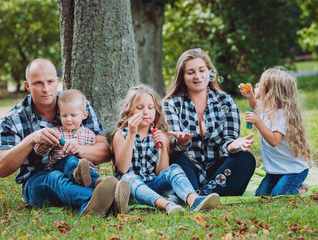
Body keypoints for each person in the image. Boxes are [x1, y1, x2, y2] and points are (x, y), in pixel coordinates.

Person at [0, 58, 129, 216]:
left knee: (70, 161)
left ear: (57, 81)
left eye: (50, 82)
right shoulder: (13, 119)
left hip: (75, 176)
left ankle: (97, 201)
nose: (46, 89)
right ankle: (104, 201)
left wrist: (79, 149)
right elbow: (1, 169)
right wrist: (32, 139)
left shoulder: (75, 105)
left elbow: (105, 153)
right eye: (38, 83)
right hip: (37, 183)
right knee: (55, 176)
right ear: (27, 86)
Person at [112, 84, 220, 215]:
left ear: (156, 110)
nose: (146, 112)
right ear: (130, 112)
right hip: (131, 191)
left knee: (174, 168)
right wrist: (131, 134)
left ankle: (195, 201)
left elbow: (162, 172)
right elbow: (123, 168)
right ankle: (168, 204)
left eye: (150, 107)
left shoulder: (160, 135)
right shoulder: (121, 135)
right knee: (129, 177)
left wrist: (163, 148)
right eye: (140, 108)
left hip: (153, 186)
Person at [163, 48, 256, 196]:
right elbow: (172, 146)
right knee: (177, 161)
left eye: (202, 70)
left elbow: (228, 141)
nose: (197, 76)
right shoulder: (172, 104)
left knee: (245, 159)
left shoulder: (225, 101)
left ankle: (196, 196)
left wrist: (233, 145)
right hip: (188, 164)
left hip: (219, 168)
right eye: (191, 72)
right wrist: (182, 142)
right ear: (182, 76)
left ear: (209, 72)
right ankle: (203, 195)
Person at [239, 67, 312, 196]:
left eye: (260, 84)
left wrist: (258, 121)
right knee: (261, 194)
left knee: (278, 195)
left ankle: (300, 188)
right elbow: (255, 106)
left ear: (271, 91)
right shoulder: (268, 107)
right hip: (275, 170)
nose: (256, 84)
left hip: (293, 170)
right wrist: (250, 96)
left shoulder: (282, 115)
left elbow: (274, 140)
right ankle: (288, 185)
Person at [33, 89, 100, 187]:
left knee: (82, 163)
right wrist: (47, 142)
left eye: (73, 115)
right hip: (60, 170)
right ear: (59, 115)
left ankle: (97, 182)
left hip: (84, 174)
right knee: (71, 160)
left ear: (84, 115)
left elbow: (93, 161)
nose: (68, 119)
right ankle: (94, 183)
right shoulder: (55, 132)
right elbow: (39, 152)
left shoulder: (90, 135)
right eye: (64, 115)